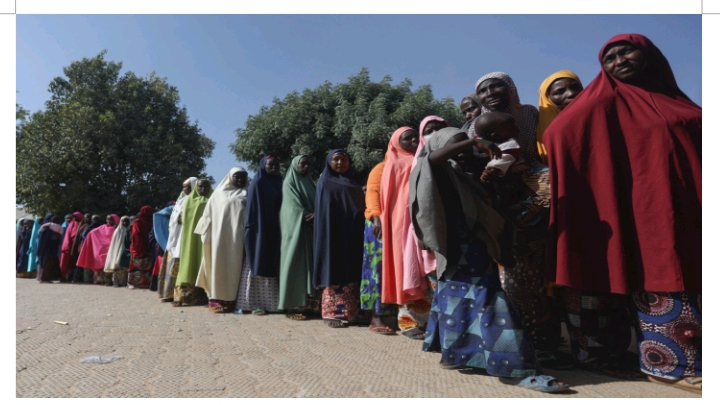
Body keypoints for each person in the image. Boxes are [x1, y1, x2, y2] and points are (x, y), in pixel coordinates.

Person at [544, 34, 701, 393]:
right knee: (664, 273)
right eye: (609, 57)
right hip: (640, 208)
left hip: (685, 206)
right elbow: (558, 133)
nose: (619, 60)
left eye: (626, 51)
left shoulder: (679, 102)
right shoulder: (602, 101)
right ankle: (672, 363)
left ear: (649, 55)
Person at [410, 127, 568, 393]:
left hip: (469, 248)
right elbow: (431, 158)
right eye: (456, 146)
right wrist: (473, 141)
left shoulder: (463, 175)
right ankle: (515, 366)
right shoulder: (437, 170)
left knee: (458, 301)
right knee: (490, 301)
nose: (465, 151)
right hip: (458, 250)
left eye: (466, 147)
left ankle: (458, 354)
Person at [474, 72, 563, 363]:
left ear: (510, 87)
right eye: (483, 90)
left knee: (543, 281)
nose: (491, 92)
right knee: (513, 283)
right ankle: (524, 345)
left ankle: (547, 342)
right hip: (501, 214)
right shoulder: (476, 129)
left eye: (496, 85)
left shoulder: (531, 116)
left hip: (538, 201)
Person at [399, 116, 448, 338]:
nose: (435, 132)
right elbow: (417, 202)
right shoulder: (419, 161)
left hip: (452, 232)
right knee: (433, 281)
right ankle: (433, 329)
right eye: (430, 130)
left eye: (440, 128)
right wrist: (422, 231)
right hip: (428, 231)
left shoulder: (453, 156)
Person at [380, 126, 431, 339]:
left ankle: (427, 322)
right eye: (406, 138)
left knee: (423, 269)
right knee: (405, 269)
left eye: (413, 137)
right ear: (396, 141)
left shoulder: (422, 157)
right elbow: (387, 199)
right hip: (400, 222)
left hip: (420, 217)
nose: (411, 141)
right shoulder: (392, 164)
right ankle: (408, 324)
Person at [313, 150, 367, 328]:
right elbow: (326, 211)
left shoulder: (352, 182)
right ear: (329, 162)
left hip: (353, 232)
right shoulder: (325, 182)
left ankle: (351, 313)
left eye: (344, 160)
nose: (340, 163)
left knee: (352, 268)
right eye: (336, 160)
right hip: (333, 233)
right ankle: (333, 314)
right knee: (334, 267)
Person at [195, 167, 249, 313]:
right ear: (230, 177)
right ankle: (215, 300)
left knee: (237, 268)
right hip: (220, 238)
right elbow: (208, 214)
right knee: (219, 267)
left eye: (243, 176)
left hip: (240, 238)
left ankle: (234, 301)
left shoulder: (249, 192)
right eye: (237, 176)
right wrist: (203, 232)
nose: (240, 179)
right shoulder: (218, 194)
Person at [237, 156, 283, 315]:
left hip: (275, 229)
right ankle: (253, 304)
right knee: (257, 262)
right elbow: (253, 212)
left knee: (272, 264)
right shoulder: (257, 183)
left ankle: (272, 304)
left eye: (277, 164)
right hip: (259, 231)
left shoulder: (279, 182)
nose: (274, 167)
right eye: (271, 164)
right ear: (264, 165)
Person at [278, 156, 319, 320]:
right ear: (295, 165)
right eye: (303, 163)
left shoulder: (311, 183)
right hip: (295, 229)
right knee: (294, 263)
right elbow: (291, 206)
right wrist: (305, 214)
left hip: (311, 230)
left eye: (309, 164)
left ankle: (311, 306)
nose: (306, 166)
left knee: (311, 266)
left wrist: (318, 214)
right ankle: (292, 305)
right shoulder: (289, 183)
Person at [360, 158, 396, 333]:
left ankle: (396, 315)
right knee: (377, 270)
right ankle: (376, 317)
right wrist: (376, 218)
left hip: (397, 226)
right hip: (379, 225)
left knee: (395, 272)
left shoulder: (411, 165)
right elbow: (372, 193)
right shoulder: (381, 169)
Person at [158, 177, 198, 302]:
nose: (184, 189)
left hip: (185, 237)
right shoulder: (181, 200)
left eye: (186, 186)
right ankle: (169, 294)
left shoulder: (194, 201)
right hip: (175, 236)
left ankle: (182, 296)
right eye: (183, 186)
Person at [174, 179, 213, 307]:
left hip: (207, 237)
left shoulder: (213, 199)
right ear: (196, 187)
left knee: (205, 261)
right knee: (188, 263)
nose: (203, 189)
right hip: (190, 238)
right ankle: (181, 297)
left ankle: (207, 297)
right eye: (201, 186)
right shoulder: (189, 201)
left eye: (206, 186)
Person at [536, 70, 583, 165]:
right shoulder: (548, 131)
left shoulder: (599, 117)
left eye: (575, 87)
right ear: (548, 99)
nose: (571, 93)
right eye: (560, 92)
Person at [473, 112, 523, 184]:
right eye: (512, 127)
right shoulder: (509, 146)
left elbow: (500, 162)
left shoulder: (510, 146)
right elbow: (500, 159)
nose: (517, 127)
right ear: (496, 136)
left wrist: (491, 171)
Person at [76, 214, 119, 286]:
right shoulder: (102, 227)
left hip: (113, 251)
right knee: (101, 264)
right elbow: (91, 233)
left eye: (111, 219)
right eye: (108, 219)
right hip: (102, 251)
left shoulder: (119, 229)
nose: (109, 221)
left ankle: (110, 281)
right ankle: (102, 281)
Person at [128, 206, 155, 289]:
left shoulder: (139, 222)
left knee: (143, 265)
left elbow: (135, 235)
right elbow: (135, 235)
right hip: (142, 247)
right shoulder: (139, 222)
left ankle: (141, 282)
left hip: (143, 247)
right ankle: (139, 282)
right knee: (141, 265)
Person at [104, 216, 131, 287]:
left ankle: (124, 283)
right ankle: (116, 283)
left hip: (125, 252)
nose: (124, 223)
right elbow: (114, 244)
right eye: (123, 221)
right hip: (117, 252)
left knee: (125, 269)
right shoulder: (117, 231)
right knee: (117, 268)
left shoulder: (130, 231)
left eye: (126, 221)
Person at [36, 215, 65, 283]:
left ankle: (58, 277)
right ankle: (44, 278)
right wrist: (55, 233)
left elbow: (40, 231)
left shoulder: (47, 226)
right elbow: (60, 233)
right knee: (48, 262)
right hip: (49, 247)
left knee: (53, 261)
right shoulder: (47, 228)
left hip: (53, 246)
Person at [59, 212, 83, 282]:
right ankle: (69, 277)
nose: (74, 219)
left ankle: (78, 278)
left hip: (78, 245)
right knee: (69, 261)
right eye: (74, 217)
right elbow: (70, 235)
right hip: (70, 246)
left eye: (76, 217)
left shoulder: (82, 224)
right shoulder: (72, 224)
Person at [70, 213, 92, 283]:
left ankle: (87, 278)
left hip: (89, 247)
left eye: (88, 218)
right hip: (81, 246)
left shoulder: (92, 226)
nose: (87, 219)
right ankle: (78, 278)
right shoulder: (82, 226)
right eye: (85, 218)